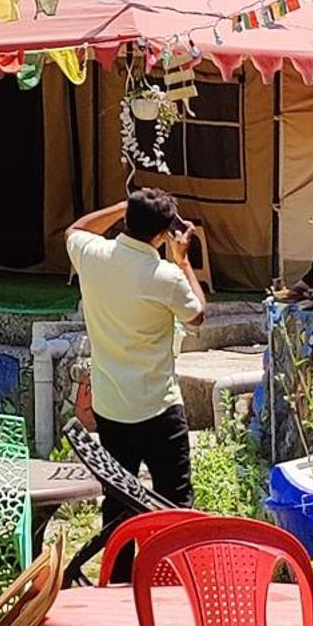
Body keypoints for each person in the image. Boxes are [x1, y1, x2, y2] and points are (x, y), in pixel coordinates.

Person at [66, 188, 206, 535]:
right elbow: (198, 314)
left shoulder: (93, 254)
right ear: (162, 236)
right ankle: (167, 579)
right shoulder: (165, 275)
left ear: (126, 218)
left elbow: (76, 230)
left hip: (112, 405)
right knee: (173, 502)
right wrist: (184, 261)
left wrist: (119, 206)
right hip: (158, 405)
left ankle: (117, 581)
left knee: (117, 502)